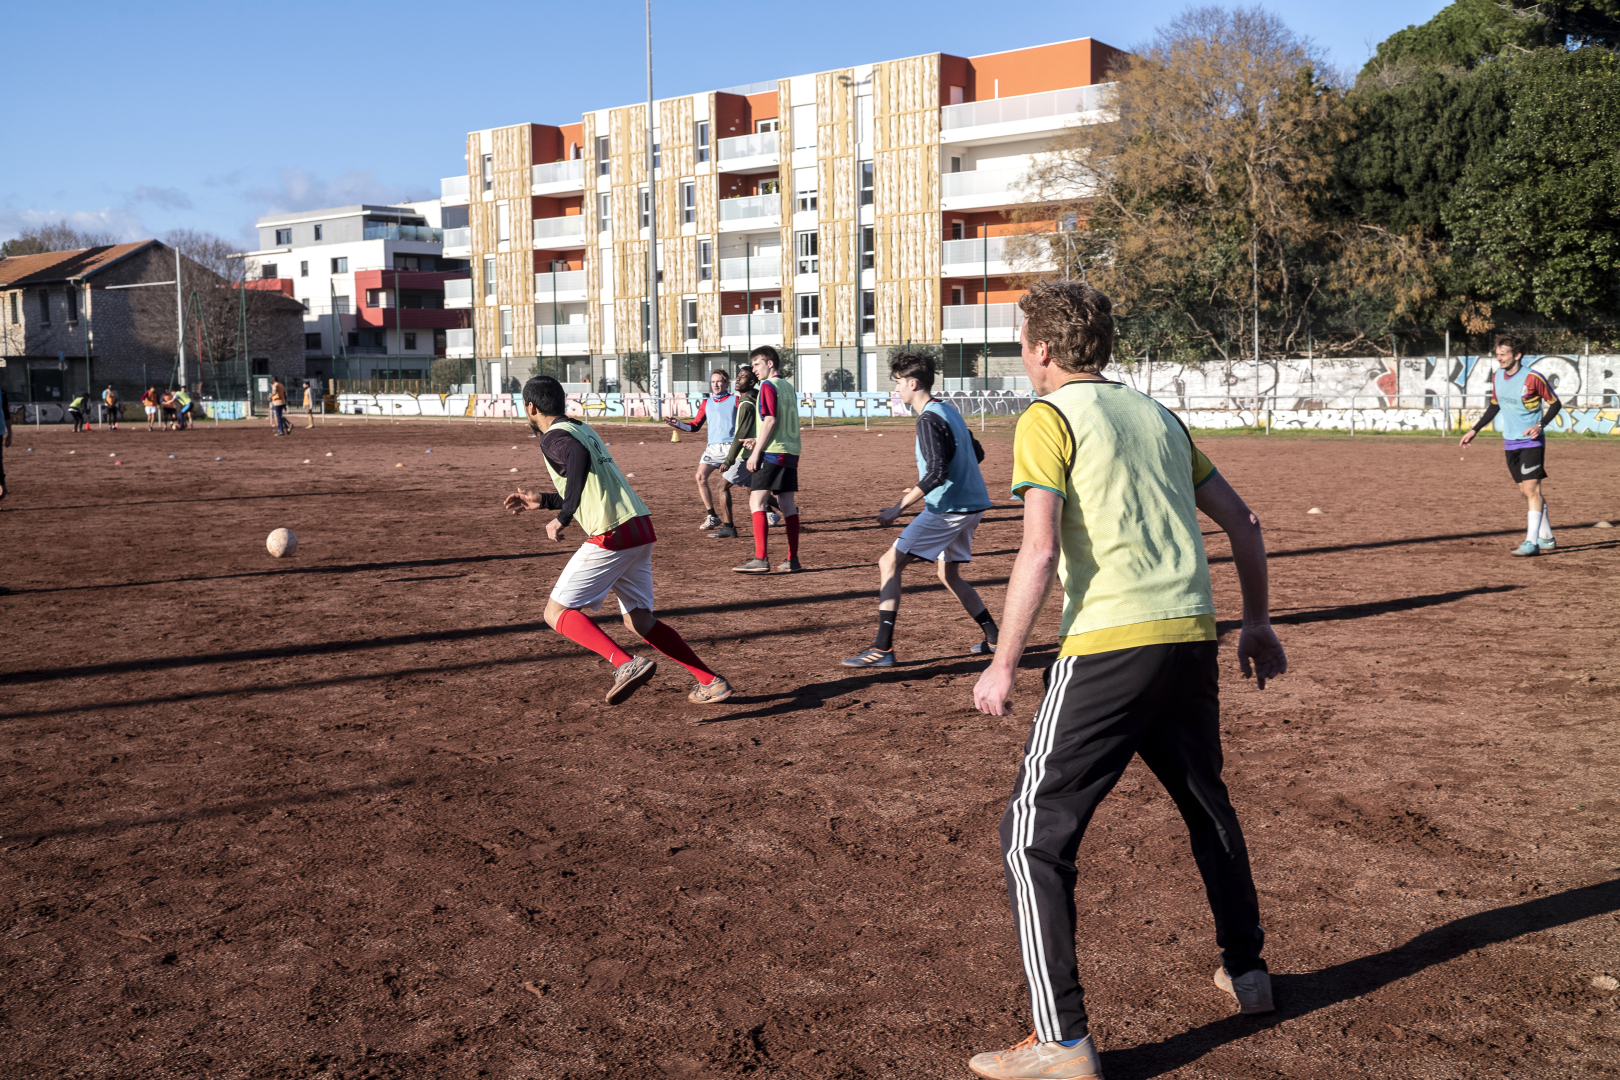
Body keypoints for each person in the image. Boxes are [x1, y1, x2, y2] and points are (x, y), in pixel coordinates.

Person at [965, 281, 1288, 1080]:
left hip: (1109, 647)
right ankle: (1247, 973)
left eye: (1022, 339)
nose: (1022, 351)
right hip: (1188, 638)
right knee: (1206, 803)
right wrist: (1254, 621)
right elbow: (1244, 522)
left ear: (1040, 347)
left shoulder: (1048, 418)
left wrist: (1004, 661)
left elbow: (1038, 551)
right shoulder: (1158, 416)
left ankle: (1062, 1042)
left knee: (1030, 834)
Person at [504, 375, 734, 706]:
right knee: (639, 620)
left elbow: (577, 461)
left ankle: (626, 664)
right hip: (638, 527)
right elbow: (591, 486)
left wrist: (563, 516)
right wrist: (543, 500)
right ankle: (710, 681)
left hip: (612, 533)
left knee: (555, 613)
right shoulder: (581, 428)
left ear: (531, 406)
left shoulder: (554, 437)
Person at [843, 352, 998, 667]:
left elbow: (936, 473)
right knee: (948, 573)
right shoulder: (947, 409)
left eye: (899, 383)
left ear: (913, 383)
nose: (896, 389)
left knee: (889, 562)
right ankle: (995, 637)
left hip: (949, 509)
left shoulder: (927, 418)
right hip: (972, 506)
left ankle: (882, 649)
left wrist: (898, 508)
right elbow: (976, 452)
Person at [1459, 334, 1561, 555]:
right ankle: (1547, 537)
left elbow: (1555, 404)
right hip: (1510, 442)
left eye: (1503, 354)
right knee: (1526, 491)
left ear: (1517, 355)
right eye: (1497, 354)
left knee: (1532, 489)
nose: (1499, 358)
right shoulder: (1497, 377)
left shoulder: (1533, 378)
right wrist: (1474, 429)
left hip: (1532, 442)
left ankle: (1531, 542)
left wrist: (1540, 425)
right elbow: (1494, 406)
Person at [732, 346, 803, 573]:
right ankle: (793, 560)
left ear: (770, 363)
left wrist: (756, 452)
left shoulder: (767, 386)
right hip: (790, 451)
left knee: (756, 503)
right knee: (787, 505)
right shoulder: (788, 386)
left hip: (773, 453)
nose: (753, 370)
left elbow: (770, 420)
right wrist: (757, 438)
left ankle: (760, 559)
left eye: (756, 365)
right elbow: (777, 422)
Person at [664, 369, 741, 534]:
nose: (716, 384)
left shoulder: (736, 400)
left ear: (727, 383)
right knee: (700, 477)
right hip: (713, 448)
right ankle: (712, 515)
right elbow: (695, 426)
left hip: (732, 448)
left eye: (719, 381)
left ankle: (771, 511)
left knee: (748, 485)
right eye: (713, 382)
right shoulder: (707, 403)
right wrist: (678, 424)